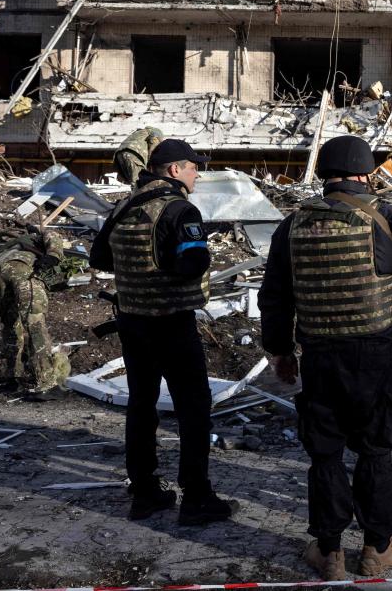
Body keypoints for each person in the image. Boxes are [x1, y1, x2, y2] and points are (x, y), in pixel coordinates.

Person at [259, 135, 392, 581]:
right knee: (376, 449)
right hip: (374, 353)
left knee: (326, 452)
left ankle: (329, 551)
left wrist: (281, 351)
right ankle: (377, 548)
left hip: (318, 353)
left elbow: (275, 297)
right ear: (364, 173)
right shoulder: (391, 218)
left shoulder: (291, 225)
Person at [90, 138, 235, 526]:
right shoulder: (179, 209)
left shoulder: (124, 207)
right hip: (171, 322)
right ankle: (196, 497)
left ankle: (144, 492)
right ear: (174, 170)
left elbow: (99, 257)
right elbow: (192, 263)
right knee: (194, 407)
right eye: (192, 166)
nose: (197, 173)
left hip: (132, 321)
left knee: (141, 404)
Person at [0, 230, 71, 399]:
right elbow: (54, 235)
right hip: (22, 270)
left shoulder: (8, 247)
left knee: (11, 324)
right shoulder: (37, 238)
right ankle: (46, 384)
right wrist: (54, 255)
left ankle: (12, 377)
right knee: (35, 322)